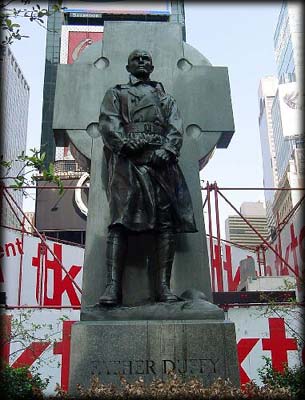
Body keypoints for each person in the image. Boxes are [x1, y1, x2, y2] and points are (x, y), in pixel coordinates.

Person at [98, 49, 197, 306]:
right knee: (120, 222)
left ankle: (163, 287)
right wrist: (125, 144)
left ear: (152, 65)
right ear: (128, 66)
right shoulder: (117, 93)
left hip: (160, 165)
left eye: (146, 59)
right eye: (136, 59)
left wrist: (166, 150)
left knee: (165, 224)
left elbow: (175, 128)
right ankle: (112, 287)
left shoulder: (166, 98)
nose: (141, 62)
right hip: (128, 165)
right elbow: (108, 123)